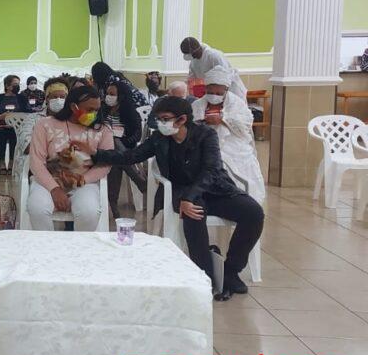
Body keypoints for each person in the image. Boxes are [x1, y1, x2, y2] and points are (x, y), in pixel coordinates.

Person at [92, 96, 263, 300]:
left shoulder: (205, 135)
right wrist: (96, 154)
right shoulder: (159, 139)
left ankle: (231, 271)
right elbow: (131, 156)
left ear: (182, 119)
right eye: (158, 119)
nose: (160, 123)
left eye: (165, 119)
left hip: (214, 189)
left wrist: (190, 197)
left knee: (253, 213)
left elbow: (211, 170)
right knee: (193, 214)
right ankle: (205, 275)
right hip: (181, 191)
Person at [27, 86, 114, 231]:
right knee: (37, 209)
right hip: (48, 180)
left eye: (96, 110)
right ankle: (45, 244)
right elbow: (36, 162)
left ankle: (79, 245)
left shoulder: (103, 129)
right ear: (74, 107)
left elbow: (105, 164)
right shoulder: (45, 124)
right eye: (89, 110)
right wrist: (54, 189)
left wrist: (80, 180)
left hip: (84, 182)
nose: (94, 114)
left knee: (89, 212)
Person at [192, 66, 266, 204]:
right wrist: (202, 121)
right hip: (205, 142)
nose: (214, 96)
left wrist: (223, 120)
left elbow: (245, 124)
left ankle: (240, 201)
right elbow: (190, 125)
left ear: (225, 90)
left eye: (218, 93)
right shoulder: (198, 104)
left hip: (232, 142)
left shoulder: (236, 103)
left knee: (229, 164)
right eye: (210, 92)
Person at [102, 81, 147, 219]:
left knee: (115, 159)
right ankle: (138, 179)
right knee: (112, 141)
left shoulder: (130, 112)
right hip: (103, 147)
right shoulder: (102, 110)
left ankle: (114, 207)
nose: (108, 96)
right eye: (107, 93)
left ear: (121, 96)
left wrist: (123, 141)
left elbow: (137, 135)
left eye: (112, 94)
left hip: (123, 147)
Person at [180, 37, 247, 100]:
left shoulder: (214, 56)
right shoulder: (194, 61)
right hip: (215, 92)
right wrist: (181, 88)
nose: (191, 57)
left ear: (195, 51)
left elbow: (224, 76)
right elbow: (190, 79)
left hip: (231, 91)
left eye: (190, 54)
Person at [0, 74, 28, 175]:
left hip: (17, 128)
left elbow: (28, 114)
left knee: (15, 135)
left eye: (18, 84)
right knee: (1, 135)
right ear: (7, 86)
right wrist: (1, 116)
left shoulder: (22, 98)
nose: (17, 86)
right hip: (0, 127)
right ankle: (2, 162)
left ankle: (11, 162)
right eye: (15, 84)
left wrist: (16, 120)